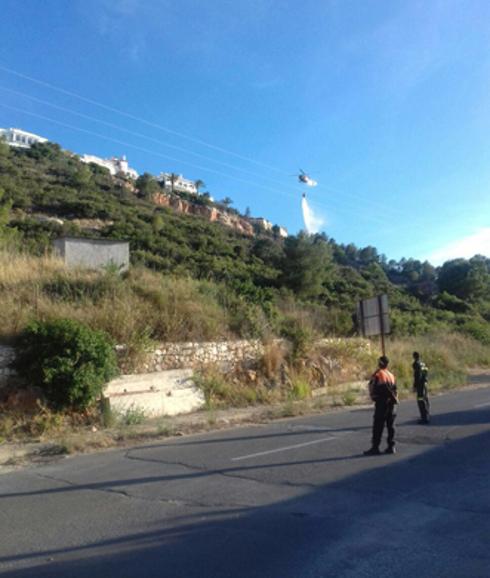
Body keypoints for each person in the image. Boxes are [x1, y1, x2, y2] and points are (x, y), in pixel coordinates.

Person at [364, 355, 398, 456]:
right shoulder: (391, 375)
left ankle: (375, 447)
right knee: (391, 425)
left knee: (378, 426)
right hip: (391, 403)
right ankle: (391, 446)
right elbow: (395, 389)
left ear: (380, 363)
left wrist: (374, 397)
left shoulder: (378, 374)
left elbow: (373, 386)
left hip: (382, 403)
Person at [412, 351, 430, 424]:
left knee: (420, 400)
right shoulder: (423, 363)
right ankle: (427, 415)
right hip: (425, 383)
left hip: (420, 385)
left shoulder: (416, 364)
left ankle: (424, 418)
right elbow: (426, 372)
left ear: (414, 356)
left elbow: (417, 376)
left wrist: (415, 386)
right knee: (425, 399)